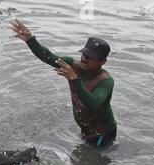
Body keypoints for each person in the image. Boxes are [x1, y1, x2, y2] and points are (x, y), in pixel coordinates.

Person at [10, 19, 117, 148]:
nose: (85, 58)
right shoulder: (72, 65)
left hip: (103, 133)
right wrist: (30, 40)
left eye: (91, 57)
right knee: (81, 162)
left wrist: (74, 80)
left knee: (101, 163)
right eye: (85, 54)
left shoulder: (105, 81)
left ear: (103, 62)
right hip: (86, 129)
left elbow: (93, 104)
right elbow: (48, 57)